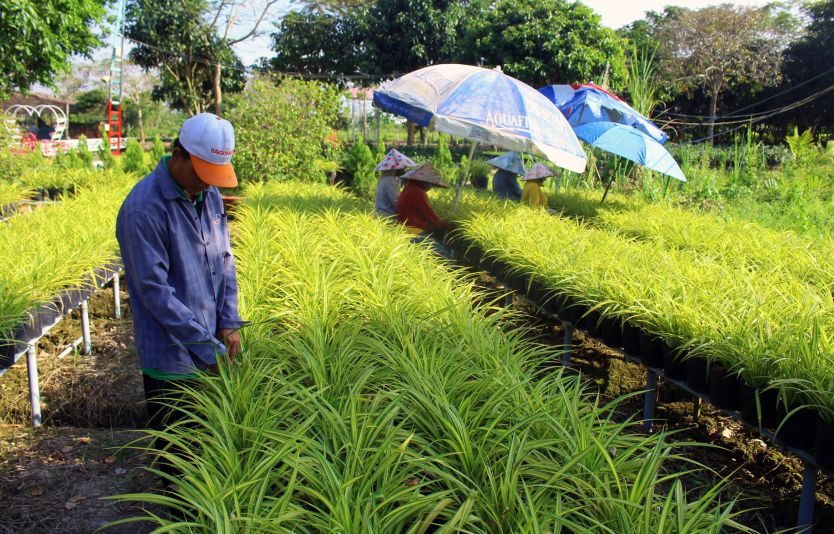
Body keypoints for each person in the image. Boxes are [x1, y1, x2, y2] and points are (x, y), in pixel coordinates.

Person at [115, 113, 245, 458]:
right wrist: (208, 349)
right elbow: (154, 292)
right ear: (178, 154)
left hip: (210, 350)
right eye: (201, 173)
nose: (207, 184)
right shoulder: (143, 210)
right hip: (172, 363)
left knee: (213, 457)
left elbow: (225, 260)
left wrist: (229, 320)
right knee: (182, 466)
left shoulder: (210, 195)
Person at [396, 162, 453, 256]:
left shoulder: (408, 189)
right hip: (414, 232)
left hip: (403, 230)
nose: (430, 188)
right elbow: (433, 219)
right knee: (445, 257)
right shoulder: (418, 193)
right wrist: (448, 225)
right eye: (430, 185)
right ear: (425, 183)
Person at [374, 148, 417, 217]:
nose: (404, 169)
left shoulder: (383, 178)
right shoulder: (390, 180)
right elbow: (398, 202)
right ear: (395, 168)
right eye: (402, 167)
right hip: (388, 218)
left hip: (381, 216)